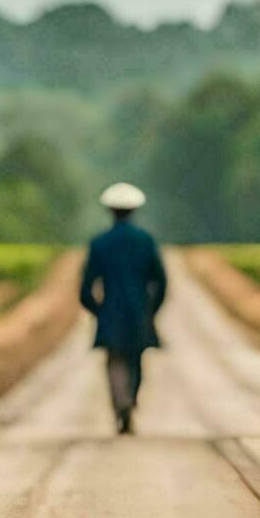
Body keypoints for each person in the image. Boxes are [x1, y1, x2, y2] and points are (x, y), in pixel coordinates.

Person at [79, 182, 166, 435]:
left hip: (111, 314)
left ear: (111, 211)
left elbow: (85, 289)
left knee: (115, 361)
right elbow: (160, 281)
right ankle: (129, 401)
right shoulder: (145, 241)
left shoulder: (99, 243)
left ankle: (121, 403)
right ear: (133, 211)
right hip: (139, 312)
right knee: (136, 359)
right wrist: (152, 309)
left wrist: (99, 311)